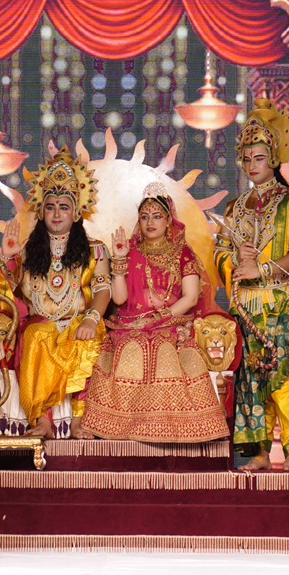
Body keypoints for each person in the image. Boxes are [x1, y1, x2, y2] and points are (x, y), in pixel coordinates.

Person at [82, 182, 229, 442]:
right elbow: (119, 298)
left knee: (164, 350)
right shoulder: (130, 251)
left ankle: (172, 426)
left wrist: (159, 318)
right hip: (131, 323)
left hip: (170, 322)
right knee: (129, 347)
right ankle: (123, 426)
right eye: (144, 216)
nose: (150, 222)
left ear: (169, 220)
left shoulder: (183, 253)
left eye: (157, 216)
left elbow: (190, 297)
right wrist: (119, 260)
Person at [215, 99, 289, 472]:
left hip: (279, 302)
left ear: (274, 158)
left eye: (259, 157)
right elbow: (219, 253)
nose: (252, 165)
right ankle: (258, 453)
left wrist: (264, 269)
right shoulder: (234, 208)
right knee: (249, 381)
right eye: (246, 158)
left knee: (286, 376)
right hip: (244, 306)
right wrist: (234, 263)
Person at [0, 147, 111, 439]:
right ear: (41, 210)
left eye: (64, 206)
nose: (57, 214)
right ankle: (43, 420)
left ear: (76, 211)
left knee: (88, 338)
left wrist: (91, 318)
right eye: (50, 206)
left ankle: (79, 421)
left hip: (79, 323)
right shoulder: (26, 251)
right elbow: (6, 294)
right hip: (41, 327)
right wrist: (8, 257)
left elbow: (102, 289)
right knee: (37, 333)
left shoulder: (95, 250)